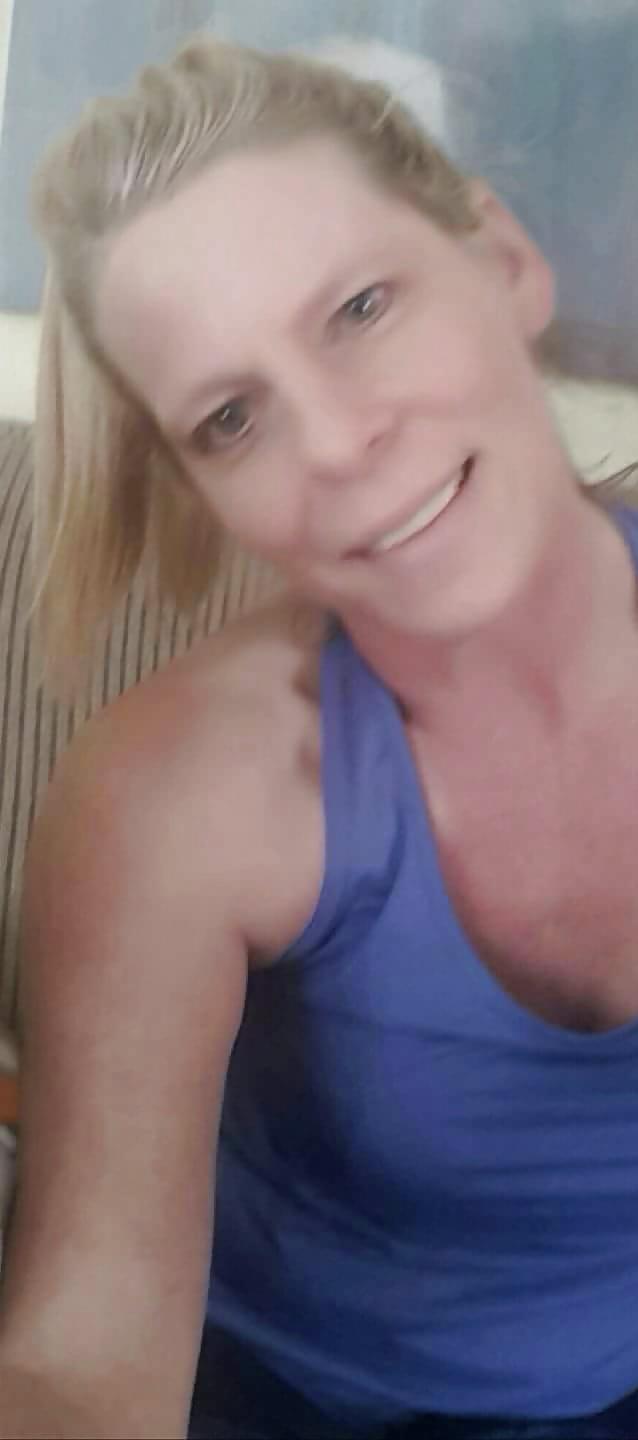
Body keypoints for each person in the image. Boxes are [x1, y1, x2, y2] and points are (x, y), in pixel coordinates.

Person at [0, 33, 638, 1440]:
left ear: (503, 260)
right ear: (203, 492)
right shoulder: (177, 796)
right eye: (232, 418)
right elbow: (82, 1360)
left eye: (359, 307)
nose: (340, 440)